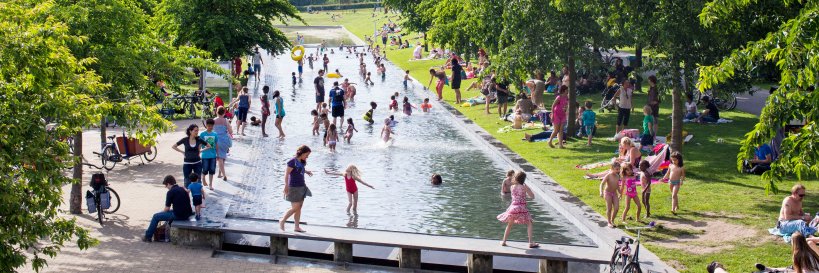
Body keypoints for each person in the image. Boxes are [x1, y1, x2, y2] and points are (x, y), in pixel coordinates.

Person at [143, 175, 193, 242]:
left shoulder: (170, 192)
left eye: (166, 185)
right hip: (187, 213)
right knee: (167, 213)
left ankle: (147, 237)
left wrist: (161, 213)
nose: (166, 187)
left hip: (179, 215)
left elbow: (167, 208)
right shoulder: (182, 189)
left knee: (156, 216)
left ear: (169, 184)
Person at [497, 171, 539, 248]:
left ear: (515, 177)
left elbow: (513, 199)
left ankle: (504, 241)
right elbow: (532, 196)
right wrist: (528, 189)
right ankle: (530, 242)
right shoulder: (524, 186)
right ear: (523, 179)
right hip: (522, 207)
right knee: (529, 223)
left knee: (509, 224)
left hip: (513, 207)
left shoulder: (512, 187)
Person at [279, 145, 314, 232]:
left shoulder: (302, 161)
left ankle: (297, 227)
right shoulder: (292, 161)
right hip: (293, 187)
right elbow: (286, 174)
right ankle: (282, 220)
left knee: (299, 207)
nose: (307, 157)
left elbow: (299, 169)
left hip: (302, 186)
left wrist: (306, 171)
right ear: (302, 153)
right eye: (306, 155)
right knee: (295, 207)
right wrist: (286, 185)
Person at [599, 162, 622, 228]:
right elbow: (602, 184)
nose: (618, 171)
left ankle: (612, 220)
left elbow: (617, 185)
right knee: (609, 208)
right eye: (616, 169)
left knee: (616, 208)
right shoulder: (608, 175)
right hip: (607, 193)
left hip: (614, 193)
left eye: (619, 169)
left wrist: (620, 193)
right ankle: (609, 222)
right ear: (612, 168)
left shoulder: (617, 176)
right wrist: (601, 192)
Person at [214, 107, 232, 185]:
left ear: (217, 112)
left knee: (220, 158)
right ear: (224, 113)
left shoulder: (214, 120)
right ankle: (221, 174)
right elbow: (231, 131)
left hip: (217, 140)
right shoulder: (225, 121)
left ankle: (222, 174)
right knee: (223, 157)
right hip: (225, 140)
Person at [199, 119, 218, 188]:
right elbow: (200, 144)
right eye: (209, 126)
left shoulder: (215, 134)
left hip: (213, 155)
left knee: (212, 170)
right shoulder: (202, 134)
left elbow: (216, 144)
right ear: (206, 125)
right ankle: (203, 178)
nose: (210, 127)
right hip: (205, 155)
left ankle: (210, 184)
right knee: (205, 169)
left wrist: (217, 154)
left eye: (212, 126)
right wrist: (198, 153)